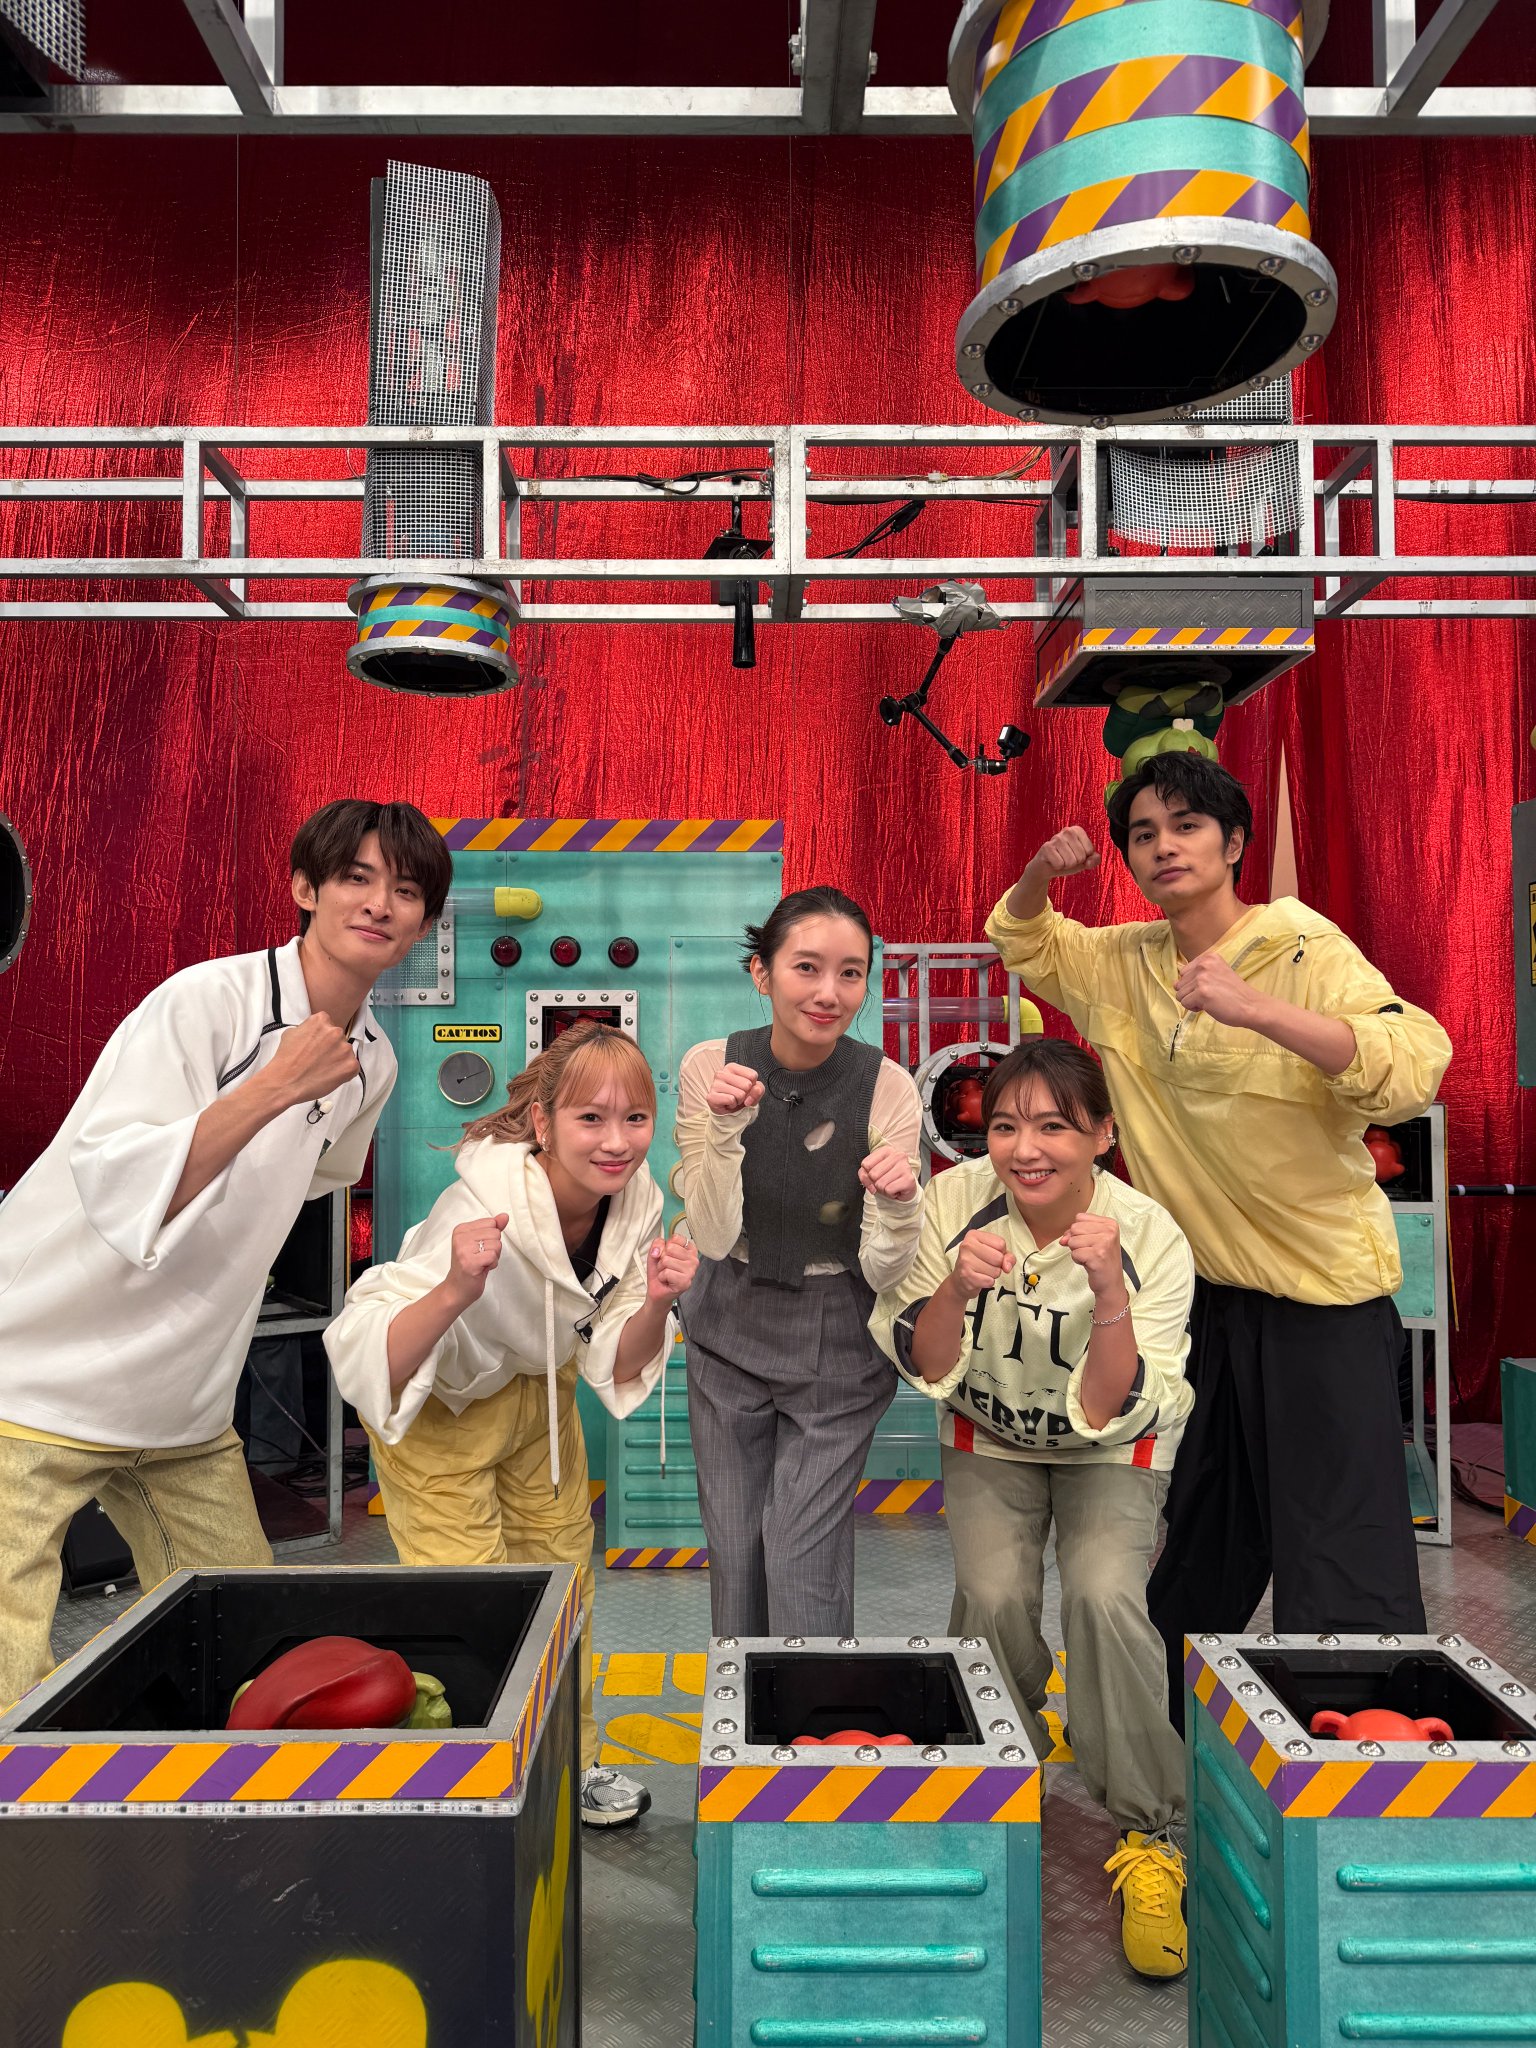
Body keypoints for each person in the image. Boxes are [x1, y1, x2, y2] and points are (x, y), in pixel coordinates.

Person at [985, 754, 1452, 1729]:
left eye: (1188, 825)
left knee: (1338, 1549)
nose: (1165, 846)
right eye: (1144, 833)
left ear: (1234, 842)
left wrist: (1255, 1009)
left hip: (1320, 1298)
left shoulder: (1301, 947)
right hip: (1203, 1304)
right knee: (1201, 1530)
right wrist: (1039, 870)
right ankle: (1155, 1735)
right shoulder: (1125, 962)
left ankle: (1359, 1755)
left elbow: (1413, 1065)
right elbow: (1023, 937)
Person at [0, 798, 449, 1708]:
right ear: (305, 888)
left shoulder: (373, 1057)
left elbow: (316, 1178)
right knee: (12, 1684)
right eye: (356, 878)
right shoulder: (206, 1001)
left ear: (424, 924)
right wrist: (275, 1085)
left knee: (245, 1646)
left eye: (406, 891)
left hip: (184, 1404)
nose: (379, 903)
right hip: (34, 1378)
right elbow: (120, 1180)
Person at [872, 1036, 1195, 1979]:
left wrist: (1107, 1287)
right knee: (992, 1597)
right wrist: (954, 1286)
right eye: (1007, 1126)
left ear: (1102, 1135)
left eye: (1055, 1126)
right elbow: (928, 1362)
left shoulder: (1150, 1235)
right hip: (991, 1437)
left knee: (1104, 1596)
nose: (1026, 1148)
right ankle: (997, 1776)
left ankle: (1147, 1831)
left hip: (1114, 1448)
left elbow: (1106, 1402)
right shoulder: (952, 1205)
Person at [325, 1020, 697, 1829]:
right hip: (441, 1412)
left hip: (538, 1400)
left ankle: (572, 1761)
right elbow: (366, 1341)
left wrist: (661, 1301)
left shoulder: (636, 1204)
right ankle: (478, 1778)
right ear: (543, 1123)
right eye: (590, 1118)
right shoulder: (480, 1204)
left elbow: (617, 1353)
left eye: (635, 1118)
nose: (616, 1141)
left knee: (563, 1591)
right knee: (472, 1603)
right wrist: (455, 1289)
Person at [675, 886, 924, 1639]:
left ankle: (812, 1710)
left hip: (837, 1335)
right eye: (806, 967)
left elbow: (884, 1271)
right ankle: (743, 1705)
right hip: (726, 1318)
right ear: (762, 973)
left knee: (798, 1554)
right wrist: (723, 1129)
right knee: (735, 1549)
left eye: (851, 973)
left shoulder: (888, 1086)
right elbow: (712, 1233)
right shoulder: (710, 1065)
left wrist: (902, 1205)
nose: (828, 993)